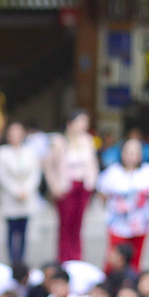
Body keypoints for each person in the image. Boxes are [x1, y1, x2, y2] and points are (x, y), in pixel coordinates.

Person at [97, 138, 149, 272]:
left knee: (135, 259)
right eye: (128, 152)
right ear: (122, 153)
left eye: (135, 152)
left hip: (140, 224)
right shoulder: (111, 173)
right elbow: (102, 195)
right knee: (114, 259)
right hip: (118, 224)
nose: (131, 156)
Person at [43, 109, 99, 264]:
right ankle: (64, 257)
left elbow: (92, 163)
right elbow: (48, 165)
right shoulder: (59, 141)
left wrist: (92, 182)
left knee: (78, 223)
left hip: (83, 185)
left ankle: (77, 256)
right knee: (65, 223)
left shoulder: (87, 140)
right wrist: (53, 185)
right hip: (66, 186)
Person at [0, 121, 43, 265]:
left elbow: (35, 173)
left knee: (24, 230)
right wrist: (16, 191)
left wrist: (26, 190)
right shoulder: (1, 152)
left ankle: (21, 259)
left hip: (27, 197)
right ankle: (12, 259)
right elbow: (1, 176)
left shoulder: (30, 151)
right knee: (11, 230)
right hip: (10, 197)